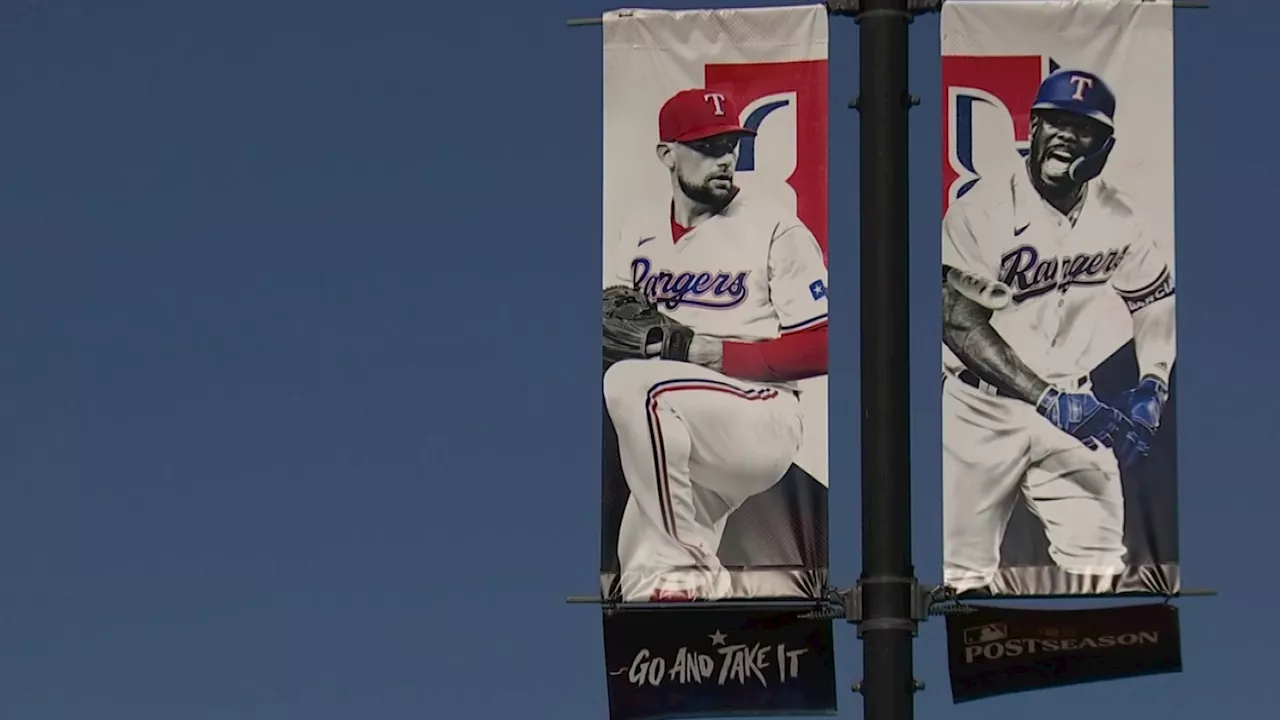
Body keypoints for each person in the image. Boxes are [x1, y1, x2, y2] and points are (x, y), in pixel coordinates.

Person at [940, 68, 1177, 596]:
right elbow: (957, 321)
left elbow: (1154, 299)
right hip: (979, 413)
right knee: (962, 579)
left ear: (1105, 146)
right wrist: (1044, 399)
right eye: (1052, 121)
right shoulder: (982, 210)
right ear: (1033, 126)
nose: (1064, 135)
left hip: (1075, 403)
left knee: (1100, 569)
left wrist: (1153, 383)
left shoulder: (1121, 216)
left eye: (1081, 127)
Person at [603, 87, 830, 602]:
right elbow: (612, 320)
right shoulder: (637, 230)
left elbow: (823, 346)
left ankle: (693, 567)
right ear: (667, 154)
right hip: (677, 433)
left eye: (731, 144)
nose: (725, 158)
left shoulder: (774, 226)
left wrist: (712, 352)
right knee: (641, 576)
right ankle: (685, 611)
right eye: (707, 146)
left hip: (759, 414)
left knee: (633, 385)